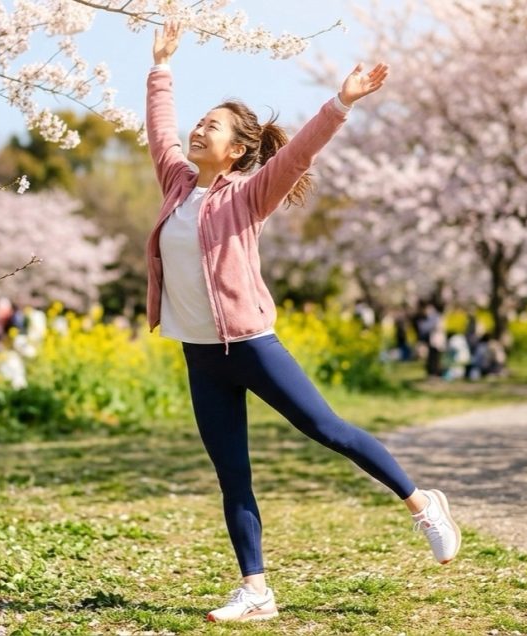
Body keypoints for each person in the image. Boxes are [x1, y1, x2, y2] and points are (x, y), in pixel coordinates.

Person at [144, 22, 461, 624]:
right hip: (200, 353)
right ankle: (256, 589)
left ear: (236, 149)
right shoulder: (177, 185)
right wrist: (161, 67)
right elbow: (159, 131)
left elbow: (297, 154)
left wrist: (340, 102)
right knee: (231, 473)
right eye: (199, 121)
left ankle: (422, 504)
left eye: (211, 125)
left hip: (251, 346)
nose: (197, 129)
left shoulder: (247, 194)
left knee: (328, 429)